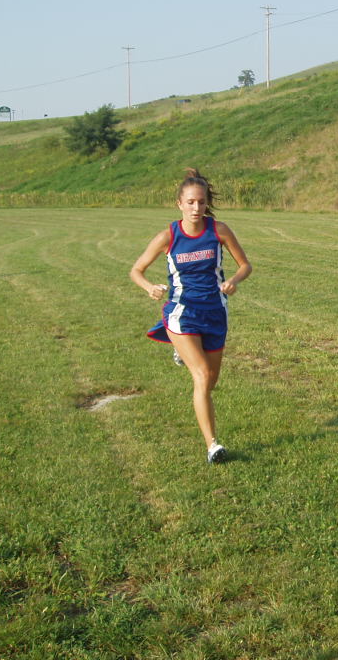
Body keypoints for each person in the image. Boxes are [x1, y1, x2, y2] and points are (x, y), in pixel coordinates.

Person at [129, 168, 252, 463]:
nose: (196, 208)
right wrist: (149, 287)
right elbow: (136, 270)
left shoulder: (219, 231)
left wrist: (233, 281)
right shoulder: (168, 236)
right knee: (202, 375)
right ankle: (213, 446)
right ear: (179, 204)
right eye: (190, 202)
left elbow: (245, 265)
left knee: (210, 383)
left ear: (207, 202)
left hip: (215, 311)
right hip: (182, 312)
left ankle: (182, 351)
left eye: (201, 202)